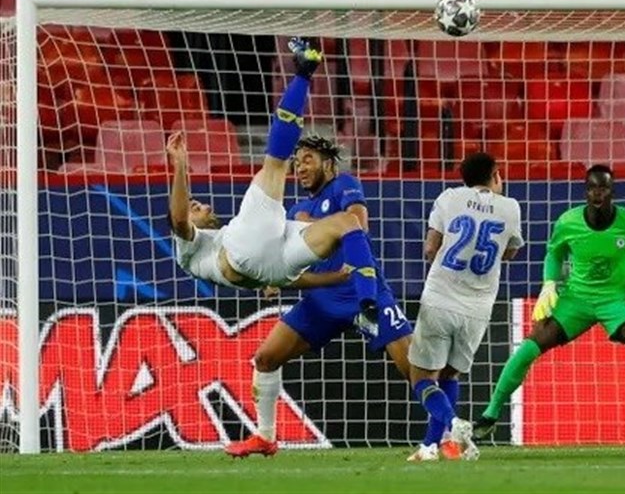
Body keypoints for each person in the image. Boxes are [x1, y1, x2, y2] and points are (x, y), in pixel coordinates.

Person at [472, 164, 625, 444]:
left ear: (612, 191)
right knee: (529, 347)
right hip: (576, 300)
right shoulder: (568, 222)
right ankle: (490, 415)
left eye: (603, 188)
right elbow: (554, 254)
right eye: (592, 187)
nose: (597, 193)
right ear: (586, 191)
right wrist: (549, 285)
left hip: (616, 300)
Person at [224, 134, 413, 458]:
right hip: (322, 299)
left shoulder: (344, 186)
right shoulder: (296, 209)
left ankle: (450, 431)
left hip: (361, 294)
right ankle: (265, 437)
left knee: (413, 367)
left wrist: (310, 223)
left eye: (307, 159)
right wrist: (273, 279)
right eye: (296, 162)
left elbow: (359, 225)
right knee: (266, 359)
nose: (299, 168)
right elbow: (286, 259)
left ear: (328, 163)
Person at [168, 38, 379, 318]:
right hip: (244, 252)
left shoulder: (221, 237)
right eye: (193, 205)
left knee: (346, 223)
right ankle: (304, 72)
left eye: (197, 203)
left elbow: (285, 277)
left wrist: (334, 278)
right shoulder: (189, 249)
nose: (196, 204)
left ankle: (368, 303)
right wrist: (180, 164)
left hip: (276, 265)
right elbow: (179, 219)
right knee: (275, 165)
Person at [406, 152, 524, 462]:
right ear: (496, 175)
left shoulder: (449, 198)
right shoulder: (511, 208)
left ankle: (452, 425)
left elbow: (431, 248)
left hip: (441, 297)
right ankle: (432, 447)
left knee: (422, 378)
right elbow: (510, 253)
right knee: (450, 376)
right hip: (478, 307)